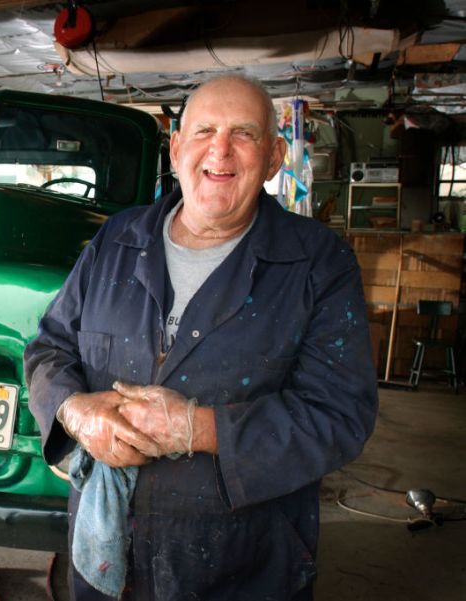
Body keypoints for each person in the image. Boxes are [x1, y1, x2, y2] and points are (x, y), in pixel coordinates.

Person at [23, 75, 378, 601]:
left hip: (245, 565)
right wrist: (74, 411)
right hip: (103, 556)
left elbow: (340, 414)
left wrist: (199, 428)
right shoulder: (115, 240)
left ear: (275, 156)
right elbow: (48, 349)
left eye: (244, 134)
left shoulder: (318, 263)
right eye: (204, 130)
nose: (220, 149)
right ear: (175, 147)